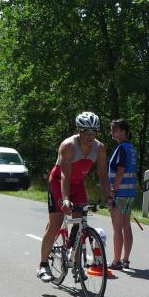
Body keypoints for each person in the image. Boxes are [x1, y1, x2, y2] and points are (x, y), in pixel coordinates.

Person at [36, 112, 111, 282]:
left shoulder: (99, 148)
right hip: (59, 182)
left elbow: (103, 175)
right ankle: (43, 265)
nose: (90, 136)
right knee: (56, 222)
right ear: (79, 130)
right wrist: (65, 199)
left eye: (94, 132)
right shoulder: (68, 146)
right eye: (86, 132)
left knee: (80, 223)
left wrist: (109, 197)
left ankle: (77, 265)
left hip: (77, 184)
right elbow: (65, 175)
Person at [107, 118, 138, 270]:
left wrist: (113, 190)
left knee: (117, 227)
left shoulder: (121, 149)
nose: (112, 132)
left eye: (115, 130)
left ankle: (116, 261)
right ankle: (126, 260)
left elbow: (120, 171)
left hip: (120, 193)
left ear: (123, 132)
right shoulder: (131, 148)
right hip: (130, 192)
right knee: (126, 225)